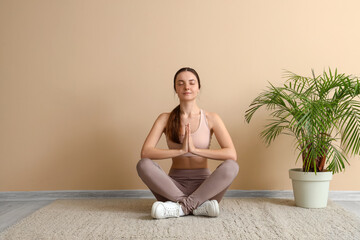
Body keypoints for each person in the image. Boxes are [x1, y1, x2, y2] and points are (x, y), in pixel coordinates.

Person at [136, 67, 239, 219]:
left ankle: (180, 208)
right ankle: (196, 207)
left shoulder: (212, 118)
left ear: (198, 88)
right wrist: (180, 151)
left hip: (205, 189)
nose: (187, 87)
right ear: (175, 89)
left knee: (232, 166)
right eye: (181, 83)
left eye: (191, 83)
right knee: (143, 164)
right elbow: (146, 152)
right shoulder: (165, 118)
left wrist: (195, 149)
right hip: (172, 189)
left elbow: (231, 154)